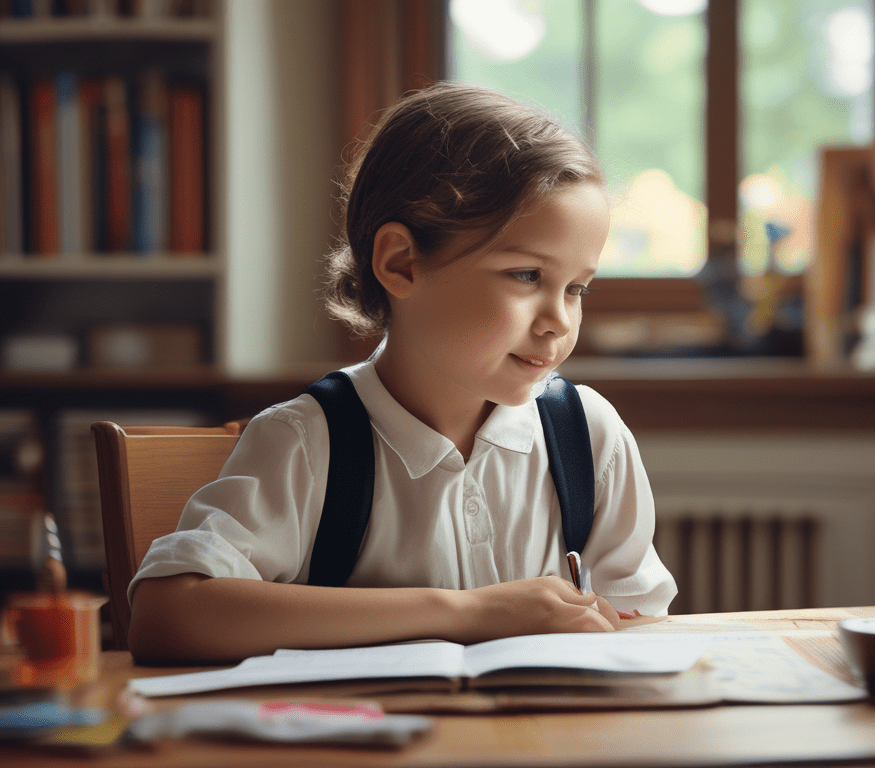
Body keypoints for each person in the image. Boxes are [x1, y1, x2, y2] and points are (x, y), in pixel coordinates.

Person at [128, 82, 677, 663]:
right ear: (401, 263)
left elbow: (639, 629)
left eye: (577, 288)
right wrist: (466, 612)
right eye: (526, 275)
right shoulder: (309, 442)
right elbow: (166, 616)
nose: (559, 321)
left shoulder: (589, 436)